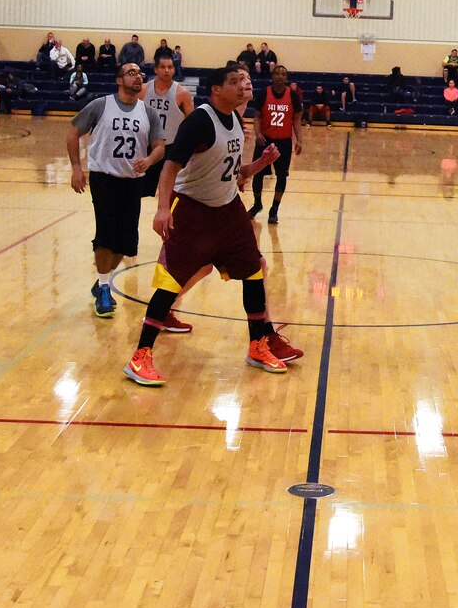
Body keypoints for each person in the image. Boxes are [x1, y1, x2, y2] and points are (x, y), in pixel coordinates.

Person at [123, 64, 291, 387]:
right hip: (193, 211)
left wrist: (260, 164)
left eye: (245, 80)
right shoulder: (200, 121)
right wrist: (161, 209)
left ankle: (258, 345)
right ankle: (140, 356)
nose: (243, 85)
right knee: (170, 282)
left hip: (228, 210)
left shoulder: (237, 123)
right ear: (217, 90)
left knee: (254, 269)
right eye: (234, 81)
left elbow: (234, 173)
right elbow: (169, 168)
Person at [69, 62, 167, 319]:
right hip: (104, 178)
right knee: (105, 235)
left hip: (132, 181)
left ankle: (102, 280)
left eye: (140, 74)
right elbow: (72, 133)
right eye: (131, 73)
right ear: (119, 80)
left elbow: (159, 146)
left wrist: (149, 159)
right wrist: (77, 169)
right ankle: (104, 288)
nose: (138, 78)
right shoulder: (100, 105)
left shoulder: (148, 112)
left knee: (126, 245)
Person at [248, 65, 305, 223]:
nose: (280, 76)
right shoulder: (263, 93)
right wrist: (258, 133)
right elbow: (257, 117)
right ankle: (257, 203)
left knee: (281, 176)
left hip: (284, 142)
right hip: (265, 140)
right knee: (257, 173)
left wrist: (299, 140)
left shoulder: (293, 96)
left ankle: (274, 209)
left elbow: (297, 121)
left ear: (286, 77)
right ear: (272, 76)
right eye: (277, 73)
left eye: (283, 74)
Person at [141, 52, 196, 189]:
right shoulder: (143, 90)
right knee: (142, 190)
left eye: (170, 67)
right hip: (146, 146)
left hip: (171, 147)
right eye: (163, 67)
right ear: (155, 69)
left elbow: (193, 124)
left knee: (171, 190)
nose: (167, 70)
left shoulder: (182, 93)